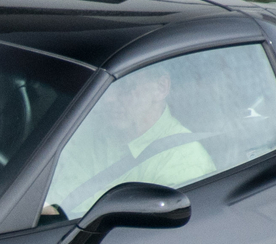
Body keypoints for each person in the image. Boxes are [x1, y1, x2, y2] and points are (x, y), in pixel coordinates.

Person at [44, 60, 215, 218]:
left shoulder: (184, 162)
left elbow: (136, 242)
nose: (109, 98)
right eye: (107, 88)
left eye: (125, 86)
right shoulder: (87, 128)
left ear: (161, 88)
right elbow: (51, 199)